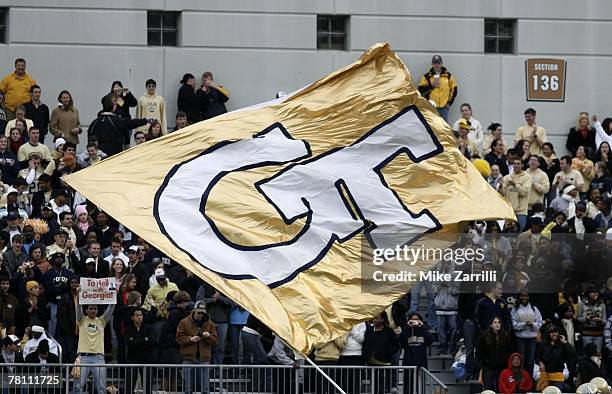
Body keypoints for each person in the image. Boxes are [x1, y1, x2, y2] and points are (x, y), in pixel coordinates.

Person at [73, 285, 115, 394]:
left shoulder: (102, 321)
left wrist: (113, 295)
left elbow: (110, 309)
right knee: (78, 388)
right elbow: (78, 308)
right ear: (86, 310)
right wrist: (78, 296)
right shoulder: (81, 320)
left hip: (99, 357)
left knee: (101, 389)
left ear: (97, 310)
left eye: (95, 308)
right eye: (90, 308)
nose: (93, 310)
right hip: (83, 357)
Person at [176, 300, 218, 394]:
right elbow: (178, 339)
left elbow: (215, 341)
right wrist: (191, 339)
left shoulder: (210, 323)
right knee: (187, 388)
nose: (200, 315)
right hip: (188, 358)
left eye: (203, 313)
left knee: (205, 388)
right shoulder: (184, 322)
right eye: (199, 312)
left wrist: (208, 337)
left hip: (204, 359)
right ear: (194, 310)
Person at [363, 311, 400, 394]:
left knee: (383, 388)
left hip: (384, 364)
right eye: (374, 318)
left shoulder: (389, 331)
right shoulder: (369, 331)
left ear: (382, 319)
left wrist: (387, 353)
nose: (375, 320)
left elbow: (396, 346)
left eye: (377, 318)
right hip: (371, 363)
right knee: (374, 387)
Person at [476, 316, 513, 392]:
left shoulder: (505, 336)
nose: (497, 324)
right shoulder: (484, 336)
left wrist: (504, 361)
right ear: (491, 325)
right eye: (495, 322)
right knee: (488, 388)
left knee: (500, 388)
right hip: (488, 367)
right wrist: (486, 361)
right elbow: (479, 352)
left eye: (499, 322)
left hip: (501, 368)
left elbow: (509, 351)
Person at [536, 325, 576, 392]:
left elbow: (572, 352)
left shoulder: (562, 344)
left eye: (556, 332)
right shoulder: (543, 344)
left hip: (557, 375)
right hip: (545, 375)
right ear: (548, 334)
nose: (554, 334)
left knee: (557, 390)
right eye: (552, 332)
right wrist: (540, 363)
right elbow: (537, 357)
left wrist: (565, 342)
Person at [511, 290, 542, 377]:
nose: (524, 298)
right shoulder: (515, 309)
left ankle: (529, 382)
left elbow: (539, 323)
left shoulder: (534, 309)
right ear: (519, 297)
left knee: (530, 361)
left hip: (532, 339)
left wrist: (532, 324)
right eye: (522, 296)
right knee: (521, 361)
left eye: (526, 296)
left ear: (529, 297)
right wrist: (524, 324)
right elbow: (513, 325)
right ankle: (520, 380)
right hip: (520, 339)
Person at [417, 55, 457, 121]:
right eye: (435, 63)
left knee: (444, 128)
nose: (437, 65)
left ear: (441, 64)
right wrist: (431, 86)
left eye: (438, 63)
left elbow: (454, 90)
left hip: (444, 107)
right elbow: (420, 90)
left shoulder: (448, 76)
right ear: (432, 64)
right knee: (432, 127)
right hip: (432, 107)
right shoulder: (427, 77)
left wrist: (449, 103)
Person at [124, 307, 154, 394]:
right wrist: (144, 339)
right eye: (136, 315)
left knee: (148, 384)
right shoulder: (128, 329)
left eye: (140, 315)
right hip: (132, 358)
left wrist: (135, 341)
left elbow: (152, 342)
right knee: (130, 384)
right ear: (132, 317)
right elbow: (129, 343)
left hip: (146, 359)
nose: (139, 317)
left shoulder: (148, 328)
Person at [500, 158, 532, 230]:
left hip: (521, 211)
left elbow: (524, 192)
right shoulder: (507, 177)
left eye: (518, 164)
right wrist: (500, 186)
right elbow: (503, 194)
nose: (516, 165)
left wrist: (514, 184)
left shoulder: (527, 177)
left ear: (522, 165)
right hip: (509, 211)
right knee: (507, 232)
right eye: (514, 164)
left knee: (521, 232)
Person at [578, 287, 607, 352]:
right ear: (588, 294)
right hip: (586, 333)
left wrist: (600, 321)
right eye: (593, 292)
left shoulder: (602, 304)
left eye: (597, 292)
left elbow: (605, 321)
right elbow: (578, 319)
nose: (595, 294)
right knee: (588, 354)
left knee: (597, 354)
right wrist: (586, 319)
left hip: (599, 334)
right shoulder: (582, 304)